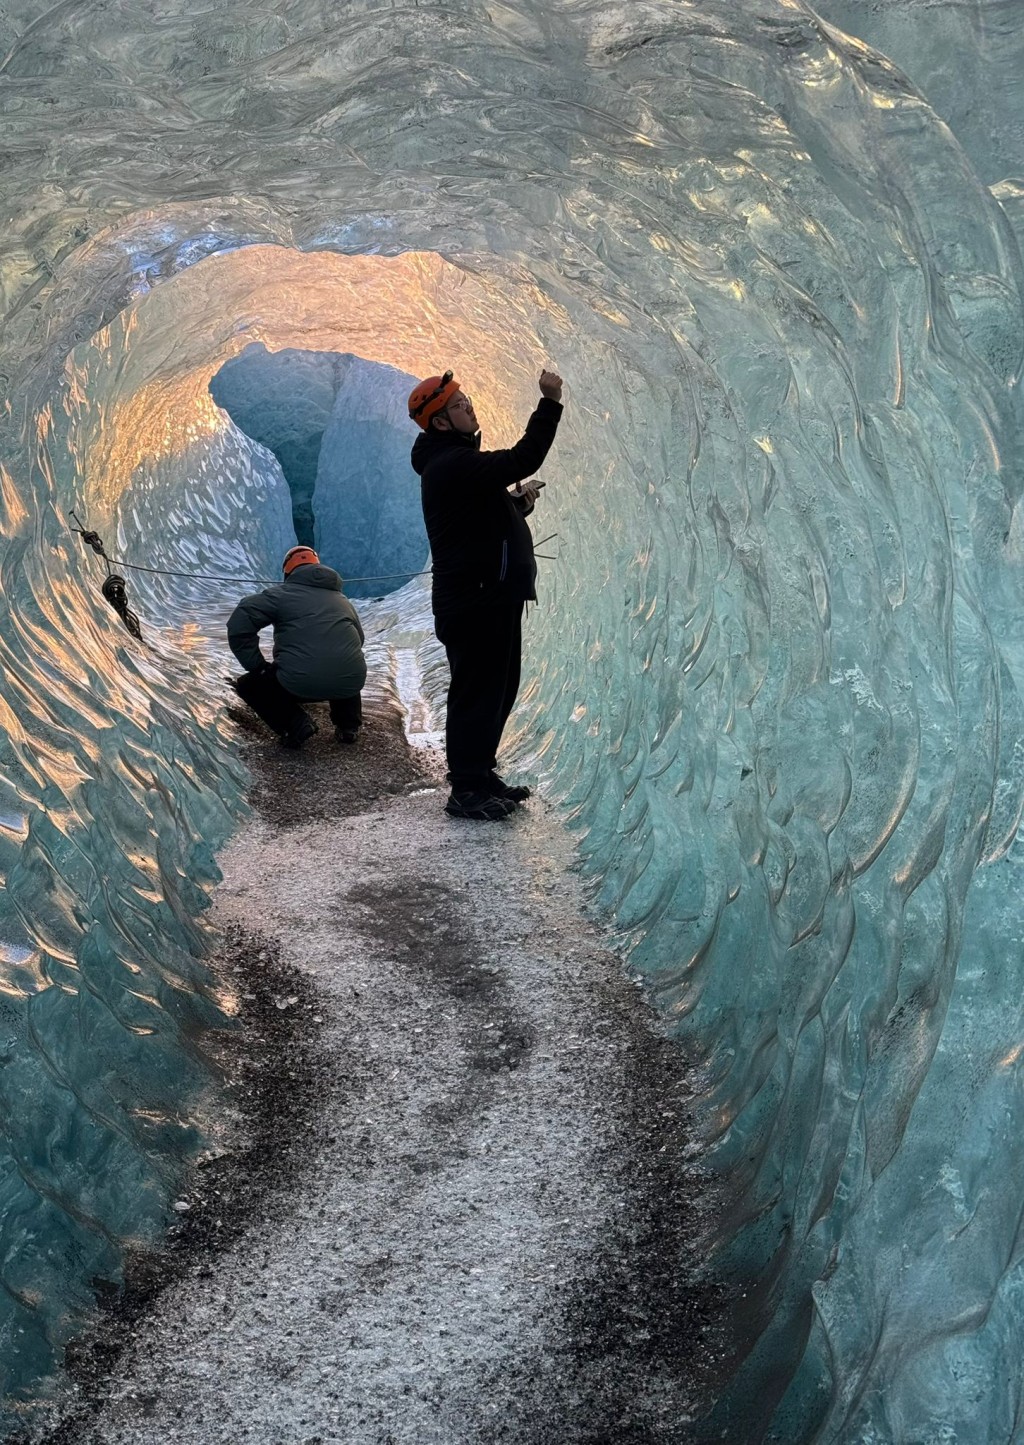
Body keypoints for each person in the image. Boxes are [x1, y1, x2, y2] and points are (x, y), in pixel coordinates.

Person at [409, 367, 564, 820]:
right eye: (458, 406)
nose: (469, 408)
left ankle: (480, 773)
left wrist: (518, 505)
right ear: (439, 422)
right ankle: (466, 790)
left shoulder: (457, 466)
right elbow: (522, 458)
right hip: (474, 600)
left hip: (490, 596)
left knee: (498, 688)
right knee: (477, 692)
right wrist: (549, 403)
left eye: (467, 401)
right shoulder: (451, 464)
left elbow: (481, 517)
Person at [227, 545, 367, 749]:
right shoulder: (342, 600)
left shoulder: (280, 595)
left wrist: (258, 666)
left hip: (298, 682)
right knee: (342, 663)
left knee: (250, 685)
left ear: (287, 570)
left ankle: (296, 725)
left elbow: (240, 623)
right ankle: (348, 727)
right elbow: (358, 639)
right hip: (349, 681)